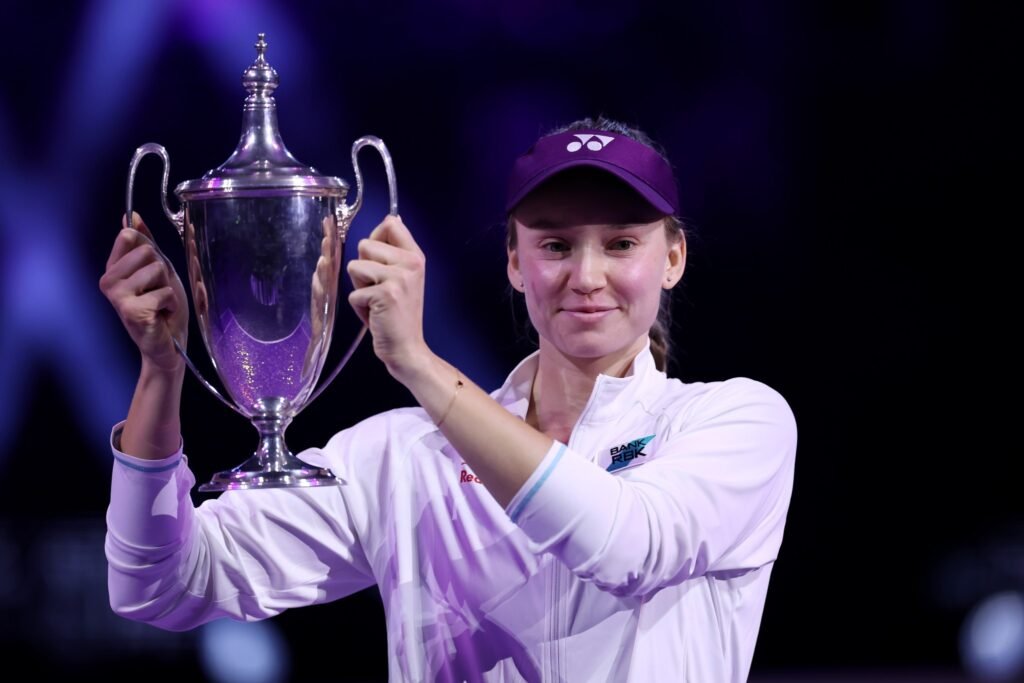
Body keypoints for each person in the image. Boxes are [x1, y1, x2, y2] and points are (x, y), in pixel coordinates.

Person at [99, 116, 797, 682]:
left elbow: (624, 543)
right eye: (555, 244)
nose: (587, 275)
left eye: (621, 243)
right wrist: (163, 369)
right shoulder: (404, 456)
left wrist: (419, 365)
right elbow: (160, 582)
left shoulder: (733, 423)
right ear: (515, 263)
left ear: (672, 258)